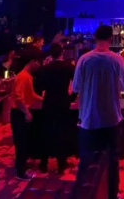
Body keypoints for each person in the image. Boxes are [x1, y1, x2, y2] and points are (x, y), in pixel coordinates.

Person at [72, 25, 124, 199]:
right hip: (112, 119)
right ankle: (112, 194)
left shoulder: (84, 59)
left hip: (87, 120)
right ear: (111, 38)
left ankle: (83, 195)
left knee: (86, 161)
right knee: (112, 161)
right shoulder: (117, 60)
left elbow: (75, 87)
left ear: (95, 38)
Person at [38, 43, 76, 174]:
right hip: (63, 101)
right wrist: (71, 98)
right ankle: (61, 163)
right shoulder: (68, 67)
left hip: (49, 101)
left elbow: (40, 86)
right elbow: (77, 84)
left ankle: (43, 162)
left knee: (46, 130)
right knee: (62, 131)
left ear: (51, 54)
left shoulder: (46, 68)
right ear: (62, 53)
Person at [11, 53, 44, 180]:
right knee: (21, 142)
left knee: (24, 141)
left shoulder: (27, 76)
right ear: (32, 61)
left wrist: (44, 100)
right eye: (38, 62)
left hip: (20, 111)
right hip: (18, 113)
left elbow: (31, 94)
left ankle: (21, 165)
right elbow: (18, 98)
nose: (39, 65)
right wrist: (26, 112)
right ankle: (21, 172)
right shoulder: (23, 76)